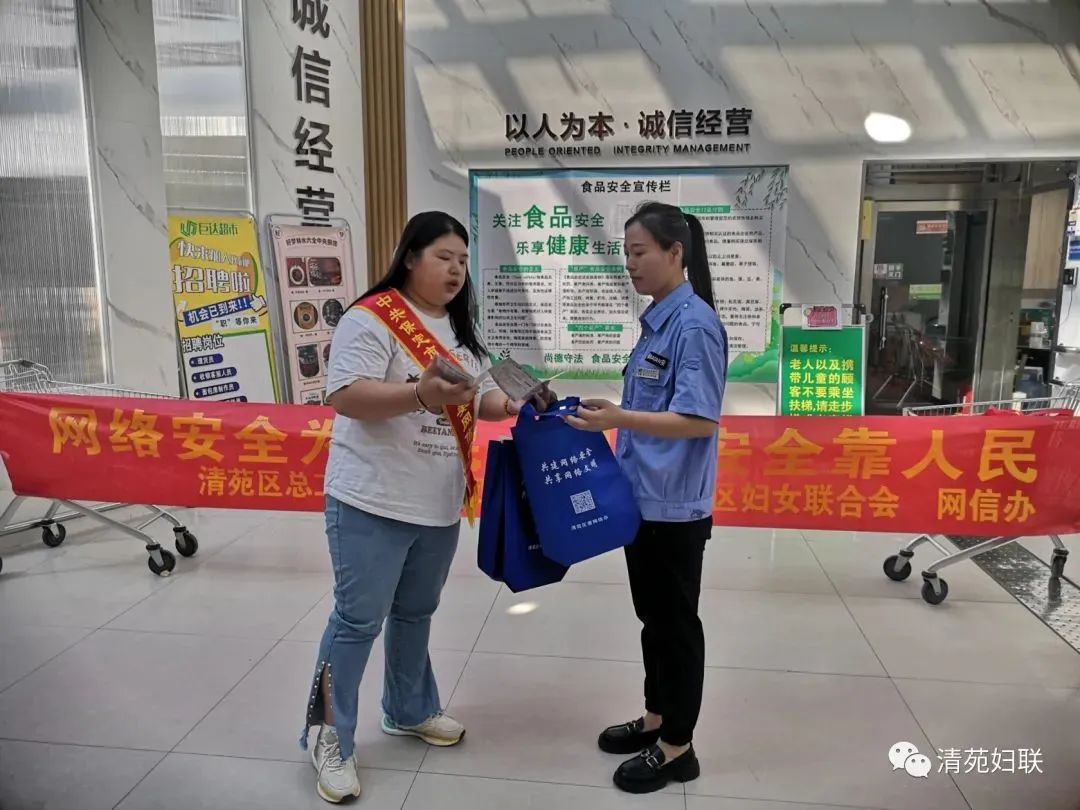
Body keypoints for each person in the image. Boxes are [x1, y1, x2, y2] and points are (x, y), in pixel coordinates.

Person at [300, 211, 546, 803]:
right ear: (410, 257)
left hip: (437, 501)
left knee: (415, 612)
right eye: (443, 257)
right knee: (357, 621)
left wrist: (516, 403)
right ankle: (327, 735)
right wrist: (418, 393)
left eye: (462, 260)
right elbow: (346, 396)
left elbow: (478, 400)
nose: (456, 270)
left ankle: (408, 709)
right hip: (370, 498)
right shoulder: (371, 317)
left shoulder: (460, 329)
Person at [566, 201, 727, 795]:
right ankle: (656, 719)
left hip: (675, 508)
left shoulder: (695, 325)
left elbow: (698, 420)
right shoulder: (659, 320)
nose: (630, 264)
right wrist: (611, 414)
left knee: (675, 625)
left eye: (639, 252)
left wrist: (621, 416)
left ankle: (678, 747)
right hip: (643, 500)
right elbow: (648, 409)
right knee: (653, 620)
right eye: (626, 253)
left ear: (674, 253)